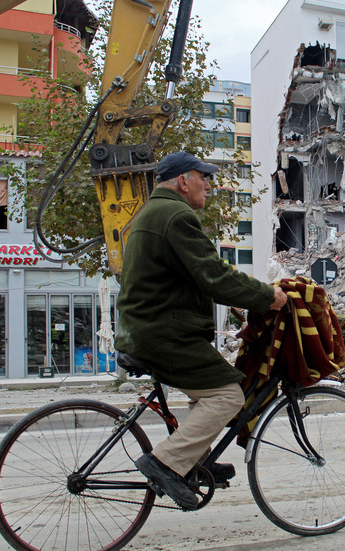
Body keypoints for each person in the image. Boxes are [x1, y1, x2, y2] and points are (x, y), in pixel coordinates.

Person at [114, 151, 287, 510]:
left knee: (208, 386)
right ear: (183, 181)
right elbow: (214, 274)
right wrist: (268, 296)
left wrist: (241, 308)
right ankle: (166, 462)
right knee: (227, 396)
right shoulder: (176, 216)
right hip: (163, 334)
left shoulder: (151, 214)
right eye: (202, 177)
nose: (208, 185)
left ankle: (193, 460)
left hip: (148, 328)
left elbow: (195, 279)